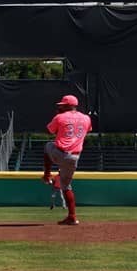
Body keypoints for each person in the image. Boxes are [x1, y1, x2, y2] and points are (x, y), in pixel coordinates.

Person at [42, 94, 92, 226]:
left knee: (48, 146)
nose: (60, 107)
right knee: (66, 186)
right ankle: (72, 217)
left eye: (62, 105)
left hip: (61, 152)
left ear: (69, 105)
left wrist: (60, 118)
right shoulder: (86, 118)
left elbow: (49, 131)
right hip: (74, 157)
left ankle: (47, 175)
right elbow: (87, 130)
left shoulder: (60, 117)